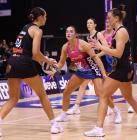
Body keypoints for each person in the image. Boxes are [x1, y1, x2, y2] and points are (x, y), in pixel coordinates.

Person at [0, 7, 63, 136]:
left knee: (13, 98)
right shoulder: (37, 30)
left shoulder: (25, 28)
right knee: (43, 95)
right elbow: (35, 53)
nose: (46, 18)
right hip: (24, 63)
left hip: (12, 62)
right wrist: (48, 60)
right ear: (40, 17)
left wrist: (42, 61)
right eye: (45, 16)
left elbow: (31, 54)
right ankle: (54, 125)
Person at [84, 8, 137, 137]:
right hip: (124, 68)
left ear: (116, 18)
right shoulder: (117, 32)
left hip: (121, 69)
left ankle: (99, 129)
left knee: (103, 95)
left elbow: (118, 53)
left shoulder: (121, 32)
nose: (108, 20)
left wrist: (100, 47)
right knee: (129, 98)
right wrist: (100, 48)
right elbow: (113, 50)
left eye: (109, 17)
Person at [67, 18, 122, 124]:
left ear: (95, 25)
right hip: (90, 65)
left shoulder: (99, 35)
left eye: (91, 23)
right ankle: (76, 106)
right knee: (83, 85)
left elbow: (106, 48)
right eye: (87, 23)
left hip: (100, 64)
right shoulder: (88, 37)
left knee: (100, 92)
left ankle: (115, 110)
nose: (88, 24)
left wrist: (96, 55)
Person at [53, 25, 107, 122]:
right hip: (81, 72)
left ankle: (115, 110)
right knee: (66, 92)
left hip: (93, 69)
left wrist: (103, 73)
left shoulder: (83, 44)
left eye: (71, 31)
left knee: (100, 93)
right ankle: (63, 115)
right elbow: (61, 63)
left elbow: (96, 58)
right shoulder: (65, 47)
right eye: (67, 32)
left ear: (76, 34)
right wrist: (54, 69)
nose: (68, 33)